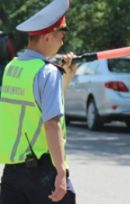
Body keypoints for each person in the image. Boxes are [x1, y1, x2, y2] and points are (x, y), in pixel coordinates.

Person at [0, 0, 77, 203]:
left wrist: (66, 76)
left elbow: (35, 105)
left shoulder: (13, 67)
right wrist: (61, 172)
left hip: (13, 170)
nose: (62, 43)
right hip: (42, 171)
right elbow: (51, 122)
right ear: (47, 37)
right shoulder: (47, 72)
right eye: (61, 37)